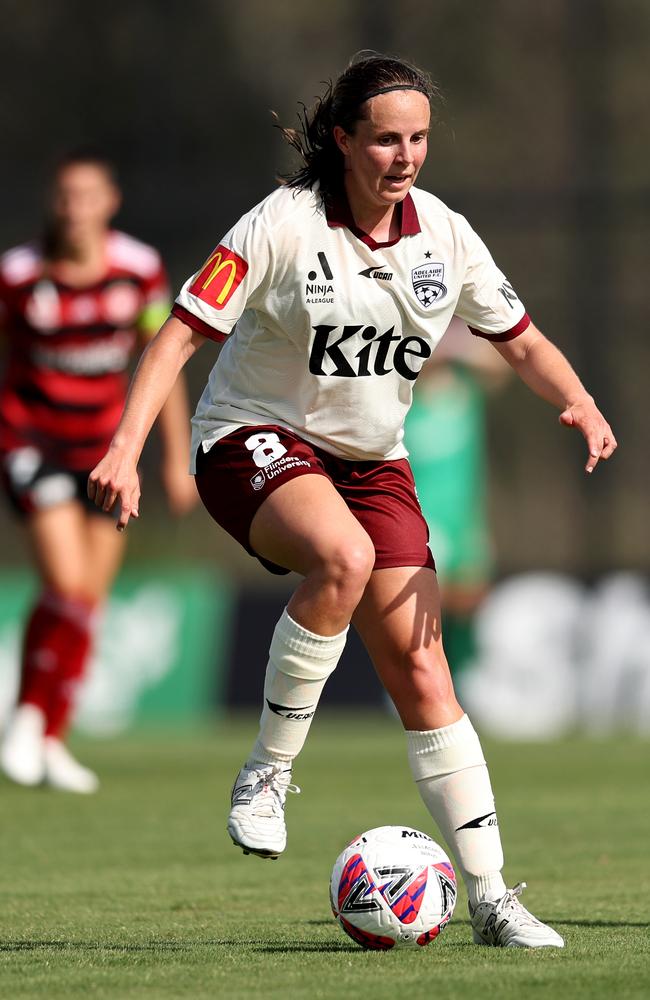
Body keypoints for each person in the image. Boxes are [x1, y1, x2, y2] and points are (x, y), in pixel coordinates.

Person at [88, 55, 616, 946]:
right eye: (385, 139)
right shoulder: (282, 224)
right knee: (344, 556)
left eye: (417, 138)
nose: (405, 156)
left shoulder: (443, 234)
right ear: (341, 139)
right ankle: (266, 770)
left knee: (424, 674)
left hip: (374, 462)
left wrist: (580, 399)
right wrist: (126, 447)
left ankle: (490, 898)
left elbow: (518, 338)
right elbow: (180, 334)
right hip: (249, 437)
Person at [0, 149, 196, 793]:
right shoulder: (18, 275)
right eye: (64, 196)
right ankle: (28, 719)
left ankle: (49, 737)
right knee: (65, 578)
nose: (74, 208)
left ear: (109, 203)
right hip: (31, 442)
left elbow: (161, 364)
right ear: (52, 204)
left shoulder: (138, 270)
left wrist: (172, 458)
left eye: (88, 196)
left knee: (87, 599)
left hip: (107, 453)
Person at [404, 318, 510, 675]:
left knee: (470, 599)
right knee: (427, 603)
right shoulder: (401, 404)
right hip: (420, 517)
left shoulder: (465, 390)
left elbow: (500, 363)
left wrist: (454, 346)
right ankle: (417, 679)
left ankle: (463, 681)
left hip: (464, 518)